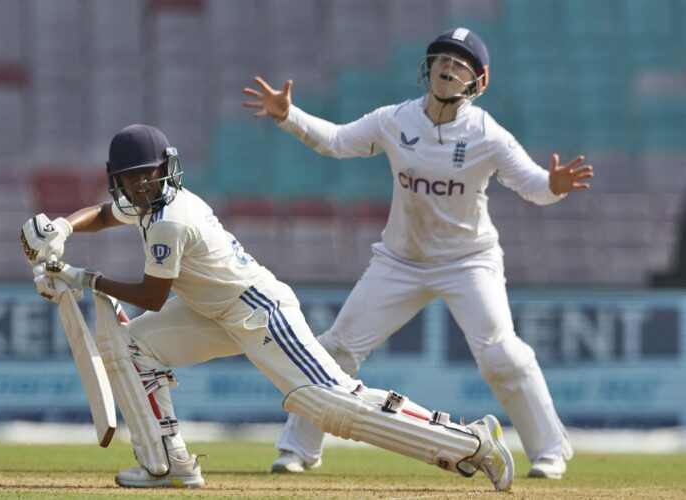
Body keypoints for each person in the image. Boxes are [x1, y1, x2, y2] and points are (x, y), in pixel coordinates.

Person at [20, 123, 516, 491]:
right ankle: (170, 463)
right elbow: (105, 216)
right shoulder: (141, 202)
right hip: (210, 311)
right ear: (120, 181)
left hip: (257, 310)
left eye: (150, 176)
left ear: (166, 170)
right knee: (134, 348)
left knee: (327, 404)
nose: (143, 186)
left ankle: (468, 442)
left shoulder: (170, 217)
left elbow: (153, 297)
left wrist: (85, 278)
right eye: (133, 180)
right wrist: (63, 227)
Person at [243, 27, 593, 480]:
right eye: (440, 60)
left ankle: (549, 451)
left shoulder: (488, 134)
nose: (446, 69)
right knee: (336, 349)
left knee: (501, 355)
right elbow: (335, 140)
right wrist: (289, 116)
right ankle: (297, 449)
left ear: (479, 82)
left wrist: (553, 186)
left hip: (468, 261)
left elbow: (531, 184)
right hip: (399, 261)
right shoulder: (396, 120)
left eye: (459, 63)